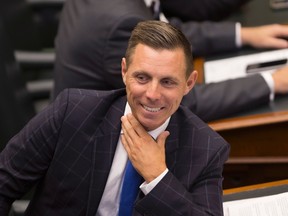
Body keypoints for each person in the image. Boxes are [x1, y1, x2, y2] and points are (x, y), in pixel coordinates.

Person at [0, 20, 229, 215]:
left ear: (189, 83)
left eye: (168, 82)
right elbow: (4, 181)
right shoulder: (72, 111)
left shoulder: (207, 150)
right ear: (124, 71)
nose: (152, 94)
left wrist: (158, 177)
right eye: (142, 78)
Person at [53, 0, 288, 122]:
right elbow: (183, 101)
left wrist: (243, 35)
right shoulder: (121, 22)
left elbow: (168, 33)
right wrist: (272, 81)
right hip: (93, 156)